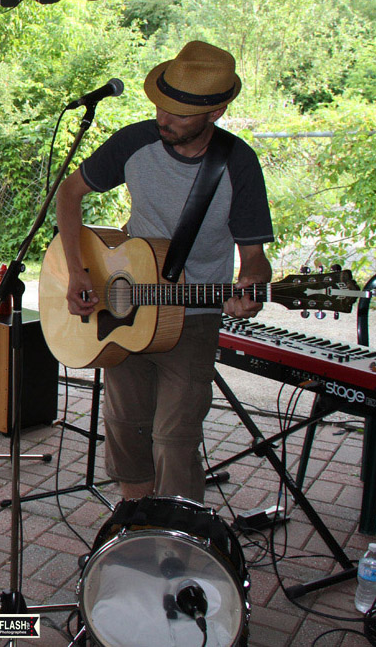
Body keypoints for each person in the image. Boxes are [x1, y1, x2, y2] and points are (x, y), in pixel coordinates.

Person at [54, 41, 274, 504]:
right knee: (125, 429)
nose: (163, 119)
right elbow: (68, 194)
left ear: (215, 112)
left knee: (174, 441)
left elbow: (254, 257)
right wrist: (78, 272)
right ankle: (136, 521)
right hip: (124, 310)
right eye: (160, 105)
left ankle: (177, 532)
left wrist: (252, 284)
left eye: (179, 113)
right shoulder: (135, 142)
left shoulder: (238, 163)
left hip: (192, 317)